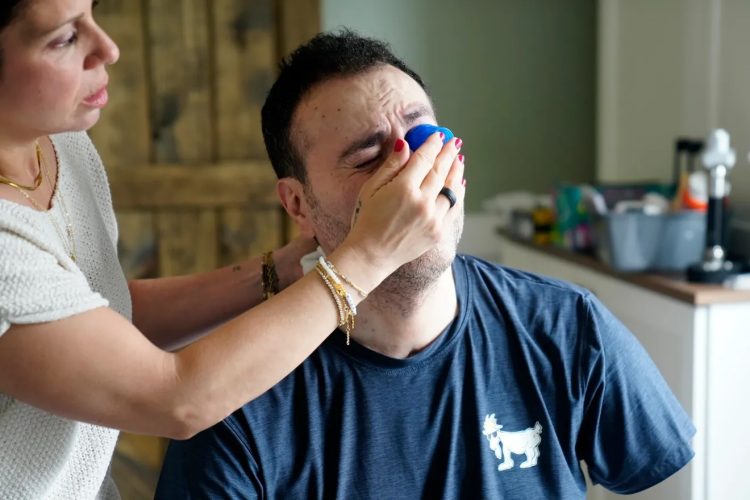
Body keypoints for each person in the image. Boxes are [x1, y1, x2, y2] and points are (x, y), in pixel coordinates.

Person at [155, 30, 696, 499]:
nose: (416, 176)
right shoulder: (238, 398)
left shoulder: (568, 327)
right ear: (298, 204)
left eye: (424, 139)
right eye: (369, 159)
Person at [0, 2, 464, 498]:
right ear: (295, 201)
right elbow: (175, 398)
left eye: (92, 13)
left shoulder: (59, 143)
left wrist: (289, 267)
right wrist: (369, 254)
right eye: (64, 38)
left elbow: (94, 313)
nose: (108, 49)